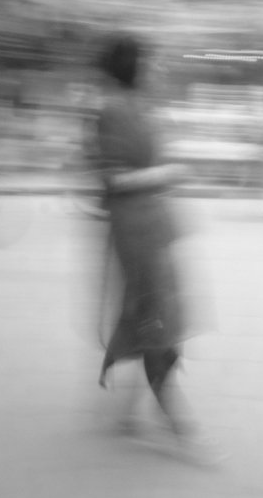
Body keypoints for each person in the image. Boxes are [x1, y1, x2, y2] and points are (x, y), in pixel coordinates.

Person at [92, 34, 222, 465]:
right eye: (153, 62)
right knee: (156, 322)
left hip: (154, 228)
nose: (159, 69)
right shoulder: (111, 110)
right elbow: (112, 178)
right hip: (136, 233)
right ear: (133, 67)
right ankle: (181, 428)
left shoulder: (139, 107)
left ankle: (131, 415)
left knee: (152, 314)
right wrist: (165, 173)